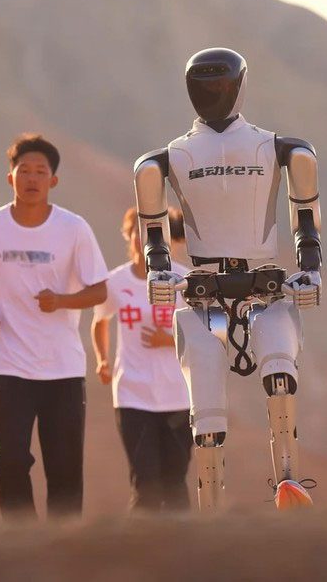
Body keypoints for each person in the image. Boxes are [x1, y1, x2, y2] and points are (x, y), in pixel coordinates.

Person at [133, 48, 322, 511]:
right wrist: (158, 267)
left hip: (266, 283)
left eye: (219, 82)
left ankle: (289, 479)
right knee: (208, 414)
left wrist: (311, 265)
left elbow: (306, 218)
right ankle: (212, 512)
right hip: (202, 290)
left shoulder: (279, 148)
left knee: (280, 370)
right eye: (204, 83)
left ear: (236, 84)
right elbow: (153, 229)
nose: (212, 91)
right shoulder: (163, 159)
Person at [0, 133, 108, 520]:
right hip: (7, 363)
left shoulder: (73, 228)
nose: (31, 178)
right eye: (23, 170)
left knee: (64, 469)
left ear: (53, 181)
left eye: (40, 172)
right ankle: (22, 542)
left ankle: (63, 551)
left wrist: (61, 301)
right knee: (9, 459)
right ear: (10, 178)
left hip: (61, 367)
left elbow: (99, 290)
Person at [91, 207, 192, 512]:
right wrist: (102, 360)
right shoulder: (115, 281)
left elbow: (205, 331)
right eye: (140, 232)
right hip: (132, 395)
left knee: (175, 480)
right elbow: (100, 320)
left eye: (156, 232)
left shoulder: (184, 279)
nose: (147, 240)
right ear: (129, 236)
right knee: (145, 483)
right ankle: (141, 553)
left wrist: (170, 339)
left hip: (178, 395)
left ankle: (184, 551)